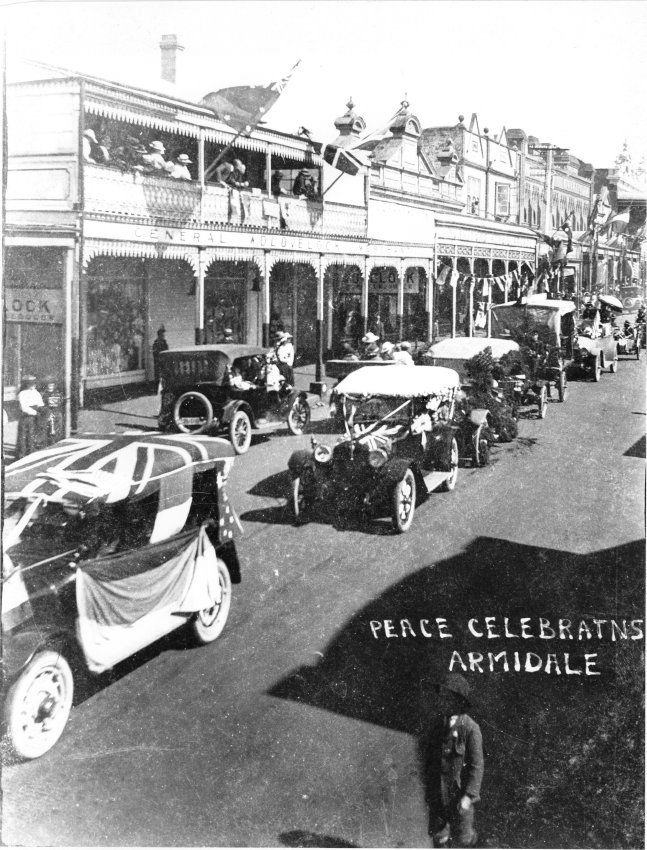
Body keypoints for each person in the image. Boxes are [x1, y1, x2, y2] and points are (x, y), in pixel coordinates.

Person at [423, 673, 483, 849]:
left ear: (458, 701)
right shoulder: (438, 724)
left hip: (459, 799)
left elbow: (476, 766)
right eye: (440, 696)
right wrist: (430, 792)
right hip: (438, 798)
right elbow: (431, 760)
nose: (441, 701)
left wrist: (468, 797)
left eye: (446, 697)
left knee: (461, 841)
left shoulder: (470, 729)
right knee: (439, 839)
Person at [16, 375, 45, 459]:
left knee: (33, 436)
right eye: (31, 384)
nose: (33, 385)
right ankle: (22, 456)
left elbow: (40, 404)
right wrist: (35, 412)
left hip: (35, 417)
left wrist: (41, 410)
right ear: (26, 384)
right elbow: (24, 407)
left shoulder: (36, 393)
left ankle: (32, 454)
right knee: (23, 437)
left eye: (34, 384)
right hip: (26, 417)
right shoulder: (22, 394)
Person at [42, 377, 64, 445]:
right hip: (49, 412)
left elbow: (60, 402)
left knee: (58, 429)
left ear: (54, 386)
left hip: (57, 412)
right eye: (49, 385)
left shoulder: (58, 393)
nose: (50, 387)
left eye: (52, 385)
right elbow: (44, 404)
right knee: (50, 430)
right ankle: (51, 443)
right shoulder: (45, 394)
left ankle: (57, 442)